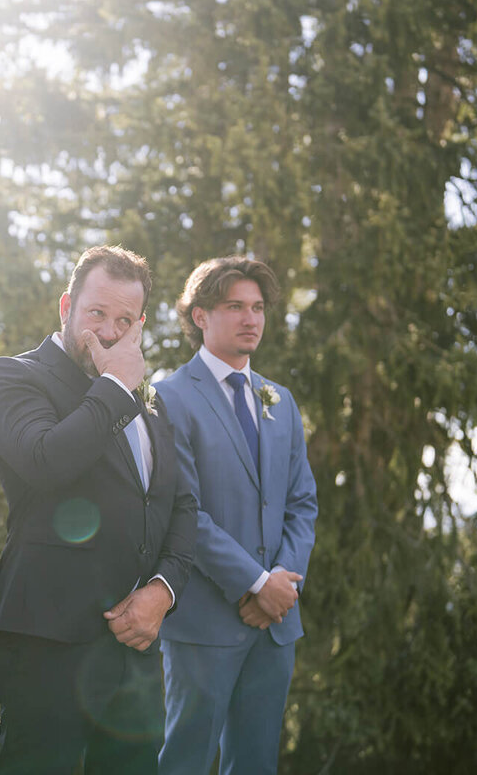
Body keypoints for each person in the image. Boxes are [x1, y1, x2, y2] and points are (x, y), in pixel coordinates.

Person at [0, 244, 197, 775]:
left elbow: (183, 506)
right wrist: (116, 385)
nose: (110, 332)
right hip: (46, 637)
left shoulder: (151, 402)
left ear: (140, 324)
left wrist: (162, 592)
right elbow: (46, 460)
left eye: (125, 320)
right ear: (66, 307)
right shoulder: (13, 377)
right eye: (97, 314)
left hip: (135, 648)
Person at [154, 255, 318, 775]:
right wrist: (253, 583)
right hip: (203, 623)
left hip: (275, 626)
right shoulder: (169, 397)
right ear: (200, 316)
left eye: (258, 307)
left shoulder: (281, 401)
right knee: (185, 762)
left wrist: (280, 589)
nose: (251, 319)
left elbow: (301, 503)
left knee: (256, 765)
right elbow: (184, 513)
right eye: (234, 307)